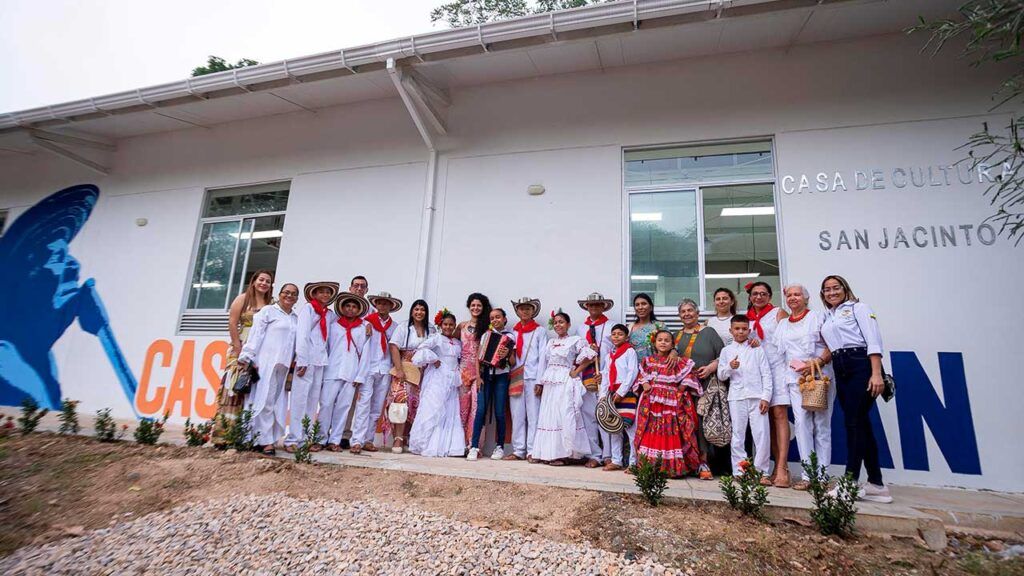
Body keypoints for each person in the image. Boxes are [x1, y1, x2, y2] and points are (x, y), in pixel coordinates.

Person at [820, 275, 892, 504]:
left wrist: (876, 373)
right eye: (827, 289)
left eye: (835, 288)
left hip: (860, 363)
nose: (831, 292)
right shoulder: (829, 316)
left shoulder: (859, 308)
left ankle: (850, 482)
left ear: (845, 289)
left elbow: (873, 340)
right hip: (840, 367)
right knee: (861, 424)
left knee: (854, 423)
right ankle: (876, 484)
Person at [774, 284, 834, 491]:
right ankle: (808, 476)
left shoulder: (818, 317)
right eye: (789, 295)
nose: (793, 298)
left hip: (819, 377)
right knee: (801, 425)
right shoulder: (782, 324)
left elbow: (831, 345)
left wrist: (815, 363)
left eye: (797, 294)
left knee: (822, 425)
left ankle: (823, 475)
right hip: (795, 381)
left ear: (806, 298)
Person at [213, 269, 274, 448]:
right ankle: (224, 435)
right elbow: (232, 322)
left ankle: (246, 434)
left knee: (253, 391)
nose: (264, 283)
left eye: (268, 281)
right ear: (254, 281)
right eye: (261, 279)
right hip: (241, 346)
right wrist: (237, 346)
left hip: (260, 350)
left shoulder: (271, 304)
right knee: (234, 388)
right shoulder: (242, 299)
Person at [237, 283, 300, 455]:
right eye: (286, 292)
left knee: (275, 403)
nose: (289, 296)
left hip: (284, 365)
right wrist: (247, 356)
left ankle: (267, 437)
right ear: (279, 294)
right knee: (263, 401)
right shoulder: (268, 312)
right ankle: (263, 442)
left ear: (297, 298)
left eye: (293, 294)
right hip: (265, 363)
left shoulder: (295, 317)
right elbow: (255, 334)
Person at [633, 330, 702, 478]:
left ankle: (670, 467)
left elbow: (690, 375)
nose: (663, 342)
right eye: (660, 340)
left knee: (670, 431)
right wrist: (644, 383)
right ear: (654, 342)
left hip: (671, 404)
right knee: (651, 431)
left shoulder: (678, 361)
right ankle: (649, 466)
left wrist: (680, 389)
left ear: (672, 344)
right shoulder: (648, 360)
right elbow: (641, 375)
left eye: (667, 340)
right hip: (653, 403)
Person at [532, 311, 598, 466]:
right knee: (549, 415)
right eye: (555, 322)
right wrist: (539, 382)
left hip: (565, 379)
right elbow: (543, 363)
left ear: (568, 324)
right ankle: (547, 453)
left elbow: (591, 356)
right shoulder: (550, 342)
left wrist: (576, 371)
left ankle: (565, 454)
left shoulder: (575, 340)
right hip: (550, 381)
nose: (558, 325)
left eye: (561, 322)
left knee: (564, 414)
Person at [745, 281, 792, 488]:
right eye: (755, 293)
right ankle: (771, 465)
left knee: (779, 414)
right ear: (750, 297)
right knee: (767, 421)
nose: (759, 297)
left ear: (770, 296)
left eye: (763, 293)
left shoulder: (778, 313)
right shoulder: (746, 319)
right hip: (759, 374)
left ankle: (782, 467)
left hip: (778, 368)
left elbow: (788, 340)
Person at [717, 315, 774, 484]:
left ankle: (762, 472)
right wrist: (730, 367)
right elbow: (721, 375)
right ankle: (740, 470)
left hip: (757, 396)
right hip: (736, 396)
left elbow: (766, 374)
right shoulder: (726, 351)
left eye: (744, 329)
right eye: (737, 329)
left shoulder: (757, 348)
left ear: (749, 330)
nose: (740, 332)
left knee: (761, 434)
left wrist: (766, 397)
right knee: (738, 434)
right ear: (731, 331)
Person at [284, 281, 339, 453]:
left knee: (312, 401)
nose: (324, 295)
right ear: (314, 294)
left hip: (320, 361)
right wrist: (301, 360)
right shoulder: (308, 309)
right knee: (299, 400)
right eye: (321, 292)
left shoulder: (328, 314)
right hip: (306, 361)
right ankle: (292, 439)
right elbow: (302, 335)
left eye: (327, 292)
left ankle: (305, 438)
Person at [675, 299, 724, 480]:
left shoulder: (709, 332)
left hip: (704, 386)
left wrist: (711, 367)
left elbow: (723, 355)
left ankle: (704, 461)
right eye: (683, 312)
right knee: (685, 424)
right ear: (679, 316)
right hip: (682, 388)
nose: (687, 314)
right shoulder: (676, 336)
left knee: (702, 423)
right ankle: (686, 462)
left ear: (697, 314)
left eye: (690, 310)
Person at [408, 309, 466, 458]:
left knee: (449, 410)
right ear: (441, 325)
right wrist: (434, 359)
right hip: (438, 377)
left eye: (451, 325)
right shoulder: (436, 338)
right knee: (433, 408)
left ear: (454, 326)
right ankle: (427, 444)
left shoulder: (458, 342)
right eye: (445, 324)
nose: (448, 327)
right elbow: (421, 350)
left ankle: (449, 446)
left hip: (452, 378)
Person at [320, 292, 370, 452]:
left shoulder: (363, 329)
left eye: (354, 306)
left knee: (343, 407)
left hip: (351, 372)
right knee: (326, 405)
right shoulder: (333, 326)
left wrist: (360, 375)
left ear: (358, 310)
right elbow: (326, 347)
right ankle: (320, 438)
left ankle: (335, 440)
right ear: (342, 308)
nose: (350, 309)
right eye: (347, 306)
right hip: (332, 371)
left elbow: (365, 354)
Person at [351, 292, 400, 454]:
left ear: (391, 306)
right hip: (369, 368)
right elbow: (360, 347)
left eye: (386, 303)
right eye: (380, 303)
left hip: (385, 369)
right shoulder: (367, 322)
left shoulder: (395, 327)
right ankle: (357, 440)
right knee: (363, 403)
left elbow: (395, 349)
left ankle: (368, 439)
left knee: (377, 406)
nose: (383, 306)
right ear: (376, 304)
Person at [386, 299, 435, 453]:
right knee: (400, 400)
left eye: (422, 310)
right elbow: (394, 346)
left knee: (419, 405)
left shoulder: (431, 329)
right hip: (405, 366)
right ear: (412, 311)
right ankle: (398, 438)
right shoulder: (403, 327)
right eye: (416, 309)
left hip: (424, 371)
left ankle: (411, 437)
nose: (419, 312)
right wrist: (399, 369)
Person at [468, 308, 514, 461]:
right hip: (486, 376)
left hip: (501, 376)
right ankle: (474, 446)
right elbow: (478, 358)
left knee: (500, 412)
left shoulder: (509, 336)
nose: (495, 320)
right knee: (480, 410)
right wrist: (479, 376)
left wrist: (507, 354)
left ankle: (499, 446)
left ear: (504, 319)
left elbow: (512, 362)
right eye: (492, 318)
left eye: (498, 317)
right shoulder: (486, 336)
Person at [576, 292, 615, 468]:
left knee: (604, 415)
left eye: (597, 305)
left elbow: (615, 353)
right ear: (587, 307)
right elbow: (577, 354)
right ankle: (595, 454)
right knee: (588, 416)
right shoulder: (580, 328)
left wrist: (606, 373)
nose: (594, 308)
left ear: (603, 307)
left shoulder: (611, 326)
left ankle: (608, 454)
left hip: (604, 376)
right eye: (590, 305)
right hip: (586, 376)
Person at [506, 297, 547, 462]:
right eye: (522, 308)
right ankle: (518, 450)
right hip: (516, 376)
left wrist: (540, 381)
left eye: (528, 309)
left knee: (533, 414)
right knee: (517, 415)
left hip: (532, 377)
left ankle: (532, 450)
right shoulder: (512, 332)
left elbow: (543, 356)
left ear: (533, 311)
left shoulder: (540, 331)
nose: (525, 311)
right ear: (517, 311)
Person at [600, 324, 638, 471]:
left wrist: (621, 392)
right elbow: (605, 375)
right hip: (611, 394)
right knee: (614, 428)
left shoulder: (630, 352)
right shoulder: (610, 356)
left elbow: (632, 372)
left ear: (626, 337)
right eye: (614, 334)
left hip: (625, 394)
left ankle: (633, 463)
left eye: (620, 334)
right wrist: (603, 396)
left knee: (630, 429)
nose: (616, 336)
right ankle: (616, 460)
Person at [457, 293, 492, 444]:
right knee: (462, 408)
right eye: (473, 305)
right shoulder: (462, 325)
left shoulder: (486, 327)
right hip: (462, 371)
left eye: (479, 305)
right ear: (468, 306)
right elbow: (450, 342)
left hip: (480, 372)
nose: (475, 308)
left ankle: (473, 444)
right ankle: (459, 443)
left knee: (476, 409)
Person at [340, 275, 369, 449]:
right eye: (356, 285)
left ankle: (344, 434)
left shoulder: (369, 314)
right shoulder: (341, 307)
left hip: (356, 362)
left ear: (366, 290)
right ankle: (326, 432)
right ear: (350, 287)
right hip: (336, 360)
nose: (359, 288)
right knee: (329, 400)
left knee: (350, 401)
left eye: (362, 286)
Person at [627, 293, 664, 360]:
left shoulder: (659, 326)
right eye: (637, 305)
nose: (640, 307)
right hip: (634, 368)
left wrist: (673, 352)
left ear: (651, 307)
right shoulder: (630, 327)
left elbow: (672, 344)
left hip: (654, 367)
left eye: (644, 304)